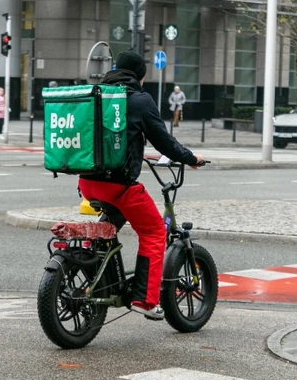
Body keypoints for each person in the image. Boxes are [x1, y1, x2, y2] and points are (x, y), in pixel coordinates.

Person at [78, 50, 205, 320]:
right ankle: (145, 301)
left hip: (88, 183)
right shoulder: (139, 100)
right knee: (154, 231)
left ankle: (99, 274)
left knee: (107, 229)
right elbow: (164, 142)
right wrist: (190, 158)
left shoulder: (97, 93)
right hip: (119, 186)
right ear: (140, 76)